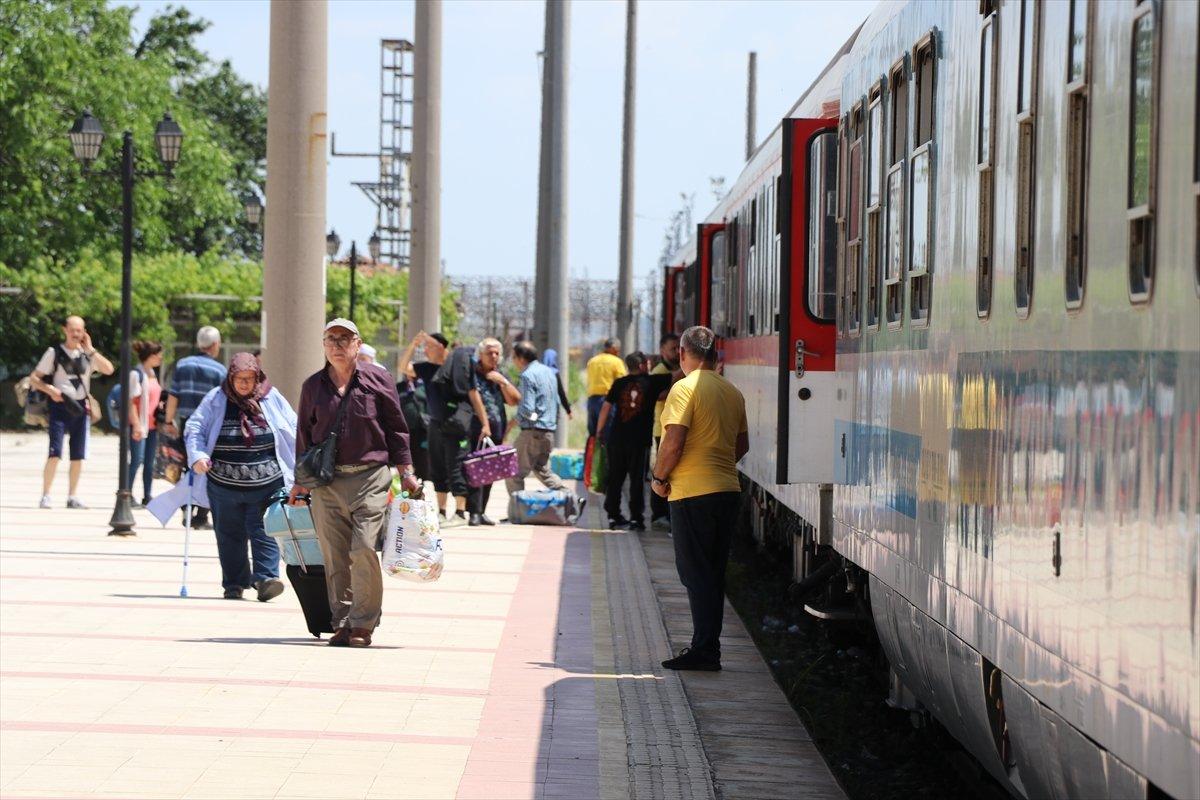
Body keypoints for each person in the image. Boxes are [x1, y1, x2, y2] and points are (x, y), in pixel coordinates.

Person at [291, 319, 419, 648]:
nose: (337, 345)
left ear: (357, 344)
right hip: (327, 481)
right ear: (323, 345)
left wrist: (405, 471)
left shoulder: (378, 379)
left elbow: (396, 427)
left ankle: (364, 622)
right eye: (330, 339)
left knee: (362, 547)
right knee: (334, 554)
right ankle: (343, 621)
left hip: (371, 476)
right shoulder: (312, 387)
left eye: (344, 339)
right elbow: (303, 436)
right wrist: (300, 482)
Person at [652, 326, 748, 672]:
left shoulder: (683, 388)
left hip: (692, 493)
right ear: (716, 355)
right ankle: (707, 646)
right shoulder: (732, 391)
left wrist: (660, 479)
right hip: (727, 490)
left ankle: (705, 650)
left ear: (681, 353)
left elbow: (673, 440)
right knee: (713, 572)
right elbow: (742, 445)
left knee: (695, 573)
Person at [184, 353, 294, 601]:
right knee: (228, 533)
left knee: (264, 530)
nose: (244, 384)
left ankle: (266, 579)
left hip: (267, 482)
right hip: (223, 484)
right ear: (230, 378)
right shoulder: (216, 398)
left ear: (258, 377)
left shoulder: (271, 397)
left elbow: (293, 426)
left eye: (249, 378)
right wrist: (198, 456)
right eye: (239, 379)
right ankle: (234, 583)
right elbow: (195, 428)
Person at [31, 316, 115, 509]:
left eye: (80, 330)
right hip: (59, 406)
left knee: (78, 455)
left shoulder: (87, 355)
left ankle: (72, 496)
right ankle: (46, 494)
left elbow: (109, 369)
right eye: (73, 330)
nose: (76, 334)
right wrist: (51, 390)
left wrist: (91, 349)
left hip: (80, 408)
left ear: (84, 332)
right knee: (55, 452)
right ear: (65, 330)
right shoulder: (54, 353)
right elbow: (34, 378)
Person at [596, 351, 676, 531]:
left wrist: (599, 432)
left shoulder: (618, 383)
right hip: (640, 442)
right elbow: (678, 375)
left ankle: (613, 516)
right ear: (642, 365)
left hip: (616, 439)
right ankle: (635, 519)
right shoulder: (652, 382)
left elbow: (605, 408)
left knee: (615, 478)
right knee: (636, 480)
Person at [399, 331, 467, 527]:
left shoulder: (455, 365)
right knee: (437, 466)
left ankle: (461, 512)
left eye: (428, 347)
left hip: (456, 423)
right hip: (435, 423)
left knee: (456, 466)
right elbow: (403, 367)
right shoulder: (426, 368)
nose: (425, 351)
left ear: (440, 347)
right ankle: (443, 511)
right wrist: (413, 344)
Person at [164, 326, 226, 528]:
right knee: (207, 468)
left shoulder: (183, 365)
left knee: (185, 467)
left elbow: (173, 396)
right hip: (210, 427)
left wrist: (168, 421)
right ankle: (202, 515)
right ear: (215, 345)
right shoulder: (219, 370)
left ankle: (186, 510)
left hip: (185, 424)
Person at [505, 341, 575, 497]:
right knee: (542, 469)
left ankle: (518, 508)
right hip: (548, 432)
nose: (514, 362)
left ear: (521, 358)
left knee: (513, 471)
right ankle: (570, 497)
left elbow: (528, 410)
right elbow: (555, 401)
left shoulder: (527, 375)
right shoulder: (549, 372)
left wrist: (514, 422)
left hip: (532, 431)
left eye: (514, 357)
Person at [466, 337, 521, 525]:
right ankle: (473, 511)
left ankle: (482, 511)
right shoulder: (472, 373)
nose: (494, 356)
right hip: (477, 429)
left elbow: (514, 400)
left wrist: (503, 382)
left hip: (496, 430)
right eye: (490, 352)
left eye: (497, 353)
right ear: (480, 354)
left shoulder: (500, 374)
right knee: (476, 470)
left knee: (489, 471)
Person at [127, 340, 165, 508]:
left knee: (150, 462)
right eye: (158, 355)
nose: (161, 358)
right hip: (140, 425)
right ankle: (126, 494)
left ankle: (147, 495)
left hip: (153, 425)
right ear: (150, 356)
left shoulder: (152, 373)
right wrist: (135, 424)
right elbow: (131, 402)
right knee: (136, 460)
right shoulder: (136, 374)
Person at [649, 333, 680, 530]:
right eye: (672, 349)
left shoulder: (672, 370)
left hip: (669, 427)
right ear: (662, 351)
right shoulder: (660, 370)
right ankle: (658, 514)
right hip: (662, 428)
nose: (676, 352)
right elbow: (657, 396)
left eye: (678, 348)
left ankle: (663, 514)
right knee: (662, 471)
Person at [585, 338, 626, 438]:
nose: (618, 352)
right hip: (608, 402)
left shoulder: (592, 361)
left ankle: (592, 452)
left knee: (593, 433)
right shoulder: (616, 362)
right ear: (613, 348)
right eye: (617, 349)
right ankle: (607, 453)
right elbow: (622, 383)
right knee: (608, 432)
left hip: (591, 401)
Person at [541, 348, 573, 428]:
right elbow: (561, 393)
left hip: (540, 407)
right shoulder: (554, 373)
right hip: (552, 408)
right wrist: (568, 410)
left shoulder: (538, 372)